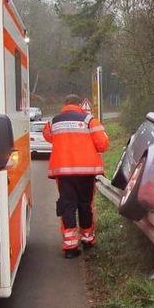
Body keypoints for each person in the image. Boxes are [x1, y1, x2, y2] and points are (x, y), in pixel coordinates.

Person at [43, 94, 110, 259]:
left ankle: (70, 247)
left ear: (64, 104)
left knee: (68, 206)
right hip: (86, 172)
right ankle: (87, 240)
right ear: (80, 104)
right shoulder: (89, 120)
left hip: (64, 173)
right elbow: (103, 144)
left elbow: (48, 137)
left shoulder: (53, 122)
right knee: (85, 205)